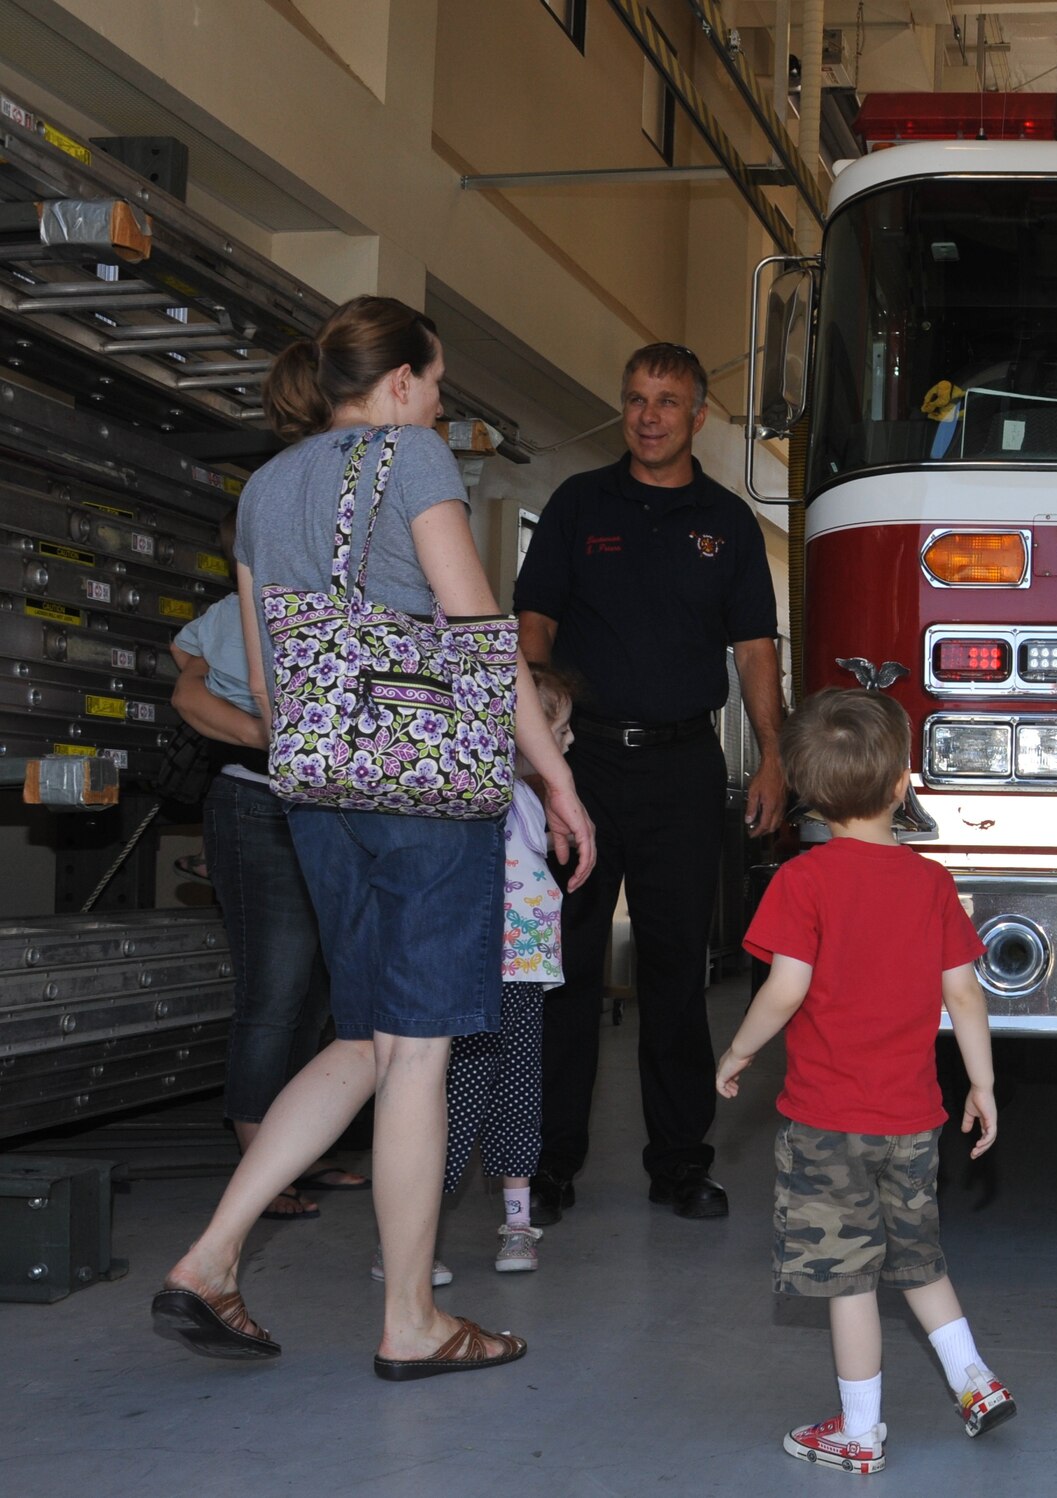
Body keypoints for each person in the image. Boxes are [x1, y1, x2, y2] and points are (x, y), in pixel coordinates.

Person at [150, 295, 595, 1379]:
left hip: (311, 788)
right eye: (435, 385)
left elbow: (265, 670)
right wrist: (555, 772)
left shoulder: (261, 489)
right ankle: (412, 1320)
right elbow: (481, 634)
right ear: (397, 384)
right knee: (419, 1056)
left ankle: (209, 1255)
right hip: (426, 792)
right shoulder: (412, 459)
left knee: (364, 1042)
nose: (438, 405)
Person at [513, 341, 785, 1223]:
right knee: (566, 971)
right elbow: (535, 623)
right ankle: (548, 1166)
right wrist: (536, 739)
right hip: (580, 764)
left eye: (668, 401)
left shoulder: (728, 523)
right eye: (635, 398)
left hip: (682, 767)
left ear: (699, 414)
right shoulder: (578, 502)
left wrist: (774, 754)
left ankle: (679, 1162)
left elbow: (753, 650)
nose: (649, 415)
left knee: (678, 971)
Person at [716, 689, 1015, 1474]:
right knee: (919, 1261)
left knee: (849, 1282)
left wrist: (739, 1050)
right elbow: (965, 994)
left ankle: (859, 1432)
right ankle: (974, 1382)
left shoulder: (803, 881)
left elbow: (785, 989)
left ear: (811, 793)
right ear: (900, 784)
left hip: (826, 1123)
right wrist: (981, 1085)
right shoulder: (930, 884)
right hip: (912, 1119)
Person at [173, 580, 371, 1222]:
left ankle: (296, 1148)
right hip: (257, 802)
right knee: (273, 992)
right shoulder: (240, 607)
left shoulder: (344, 599)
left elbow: (186, 657)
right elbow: (185, 675)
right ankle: (258, 1160)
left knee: (316, 990)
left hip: (327, 804)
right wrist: (267, 731)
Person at [439, 663, 578, 1274]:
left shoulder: (528, 797)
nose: (567, 741)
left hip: (522, 976)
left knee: (520, 1098)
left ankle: (518, 1227)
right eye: (558, 728)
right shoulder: (477, 793)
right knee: (454, 1103)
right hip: (473, 975)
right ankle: (408, 1238)